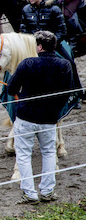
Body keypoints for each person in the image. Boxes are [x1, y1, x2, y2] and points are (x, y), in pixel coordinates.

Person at [7, 30, 73, 204]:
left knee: (23, 155)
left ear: (40, 46)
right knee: (49, 153)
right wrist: (55, 111)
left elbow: (11, 89)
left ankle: (29, 193)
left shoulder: (27, 63)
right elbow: (66, 94)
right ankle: (47, 191)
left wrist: (20, 96)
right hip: (49, 119)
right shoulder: (64, 65)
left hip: (26, 117)